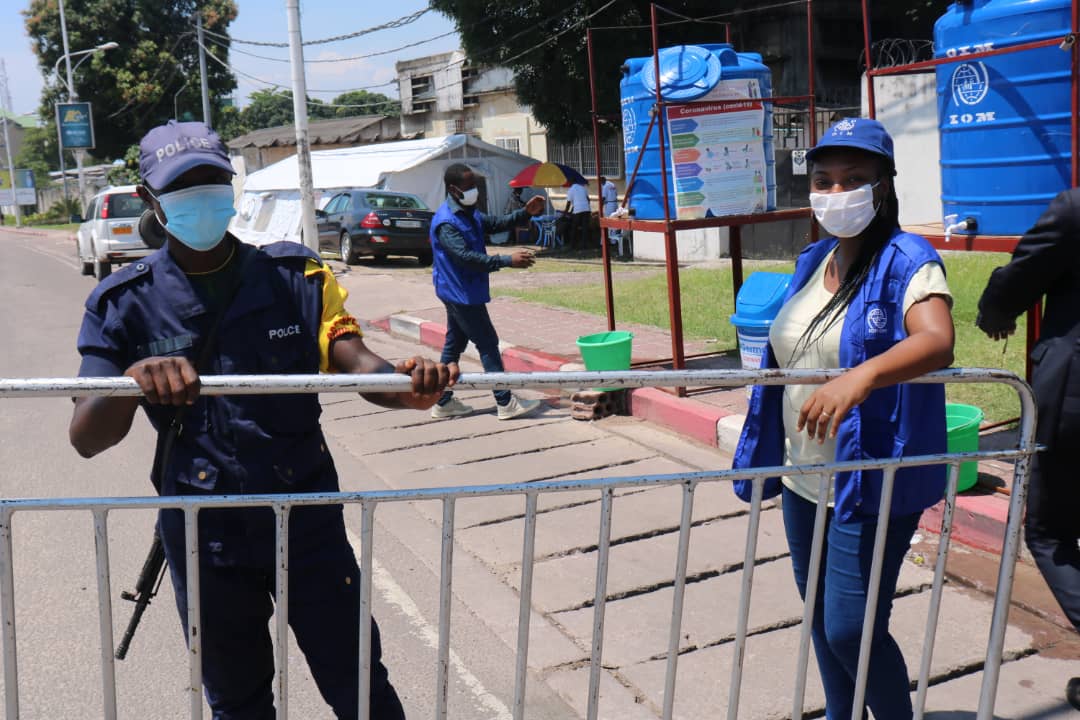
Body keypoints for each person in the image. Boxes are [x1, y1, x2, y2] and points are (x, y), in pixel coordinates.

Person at [69, 120, 458, 720]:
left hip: (305, 517)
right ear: (150, 200)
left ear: (233, 189)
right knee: (237, 699)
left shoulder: (295, 277)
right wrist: (132, 380)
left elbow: (355, 361)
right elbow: (86, 437)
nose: (201, 197)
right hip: (205, 532)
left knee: (359, 682)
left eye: (211, 181)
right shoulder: (123, 303)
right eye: (182, 187)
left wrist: (406, 386)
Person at [732, 118, 955, 720]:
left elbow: (937, 341)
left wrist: (859, 377)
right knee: (822, 623)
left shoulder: (910, 259)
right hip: (805, 478)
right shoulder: (812, 260)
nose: (837, 192)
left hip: (868, 479)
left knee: (851, 629)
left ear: (883, 186)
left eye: (855, 178)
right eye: (825, 180)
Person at [975, 186, 1080, 711]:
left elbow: (1018, 279)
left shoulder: (1074, 209)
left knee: (1048, 532)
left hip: (1073, 404)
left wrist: (995, 312)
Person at [429, 162, 546, 420]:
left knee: (454, 345)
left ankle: (442, 400)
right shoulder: (447, 221)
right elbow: (465, 258)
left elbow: (493, 223)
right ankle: (505, 402)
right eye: (469, 187)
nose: (475, 192)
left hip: (462, 289)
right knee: (488, 343)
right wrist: (506, 260)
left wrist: (525, 213)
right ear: (453, 189)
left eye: (475, 187)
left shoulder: (468, 211)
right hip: (460, 292)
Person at [564, 179, 591, 251]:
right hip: (586, 209)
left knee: (574, 228)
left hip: (578, 211)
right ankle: (584, 245)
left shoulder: (571, 189)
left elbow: (568, 203)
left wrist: (565, 212)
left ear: (571, 182)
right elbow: (588, 200)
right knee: (585, 228)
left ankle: (572, 245)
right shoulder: (583, 187)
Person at [599, 176, 622, 250]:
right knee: (614, 221)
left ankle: (603, 242)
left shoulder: (605, 186)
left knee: (607, 222)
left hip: (609, 205)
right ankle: (613, 241)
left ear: (602, 181)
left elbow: (603, 198)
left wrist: (600, 207)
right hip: (615, 204)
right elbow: (616, 194)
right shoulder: (612, 184)